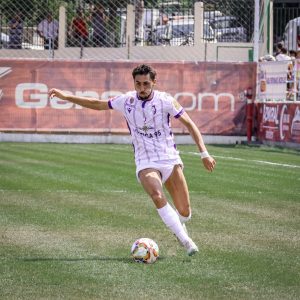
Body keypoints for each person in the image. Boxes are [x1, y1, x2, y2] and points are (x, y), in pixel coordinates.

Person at [48, 64, 216, 256]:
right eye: (138, 84)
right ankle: (187, 242)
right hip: (145, 160)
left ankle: (180, 227)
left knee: (185, 212)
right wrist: (66, 96)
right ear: (134, 83)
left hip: (169, 158)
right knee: (157, 195)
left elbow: (190, 124)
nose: (142, 88)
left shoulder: (166, 100)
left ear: (154, 82)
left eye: (146, 84)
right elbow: (97, 104)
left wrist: (204, 154)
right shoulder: (126, 100)